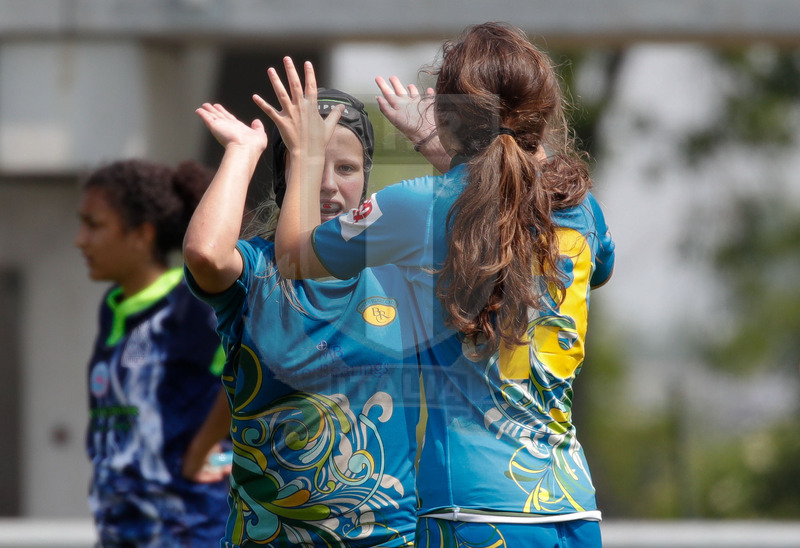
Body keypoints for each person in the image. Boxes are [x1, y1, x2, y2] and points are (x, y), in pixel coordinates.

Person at [260, 22, 615, 548]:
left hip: (470, 516)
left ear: (449, 115)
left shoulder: (415, 205)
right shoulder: (582, 209)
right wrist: (443, 146)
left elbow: (292, 256)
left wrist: (308, 156)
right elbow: (559, 241)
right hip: (573, 513)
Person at [184, 89, 418, 547]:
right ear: (283, 176)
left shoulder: (400, 274)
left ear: (366, 179)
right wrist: (242, 149)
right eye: (309, 162)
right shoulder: (255, 272)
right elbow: (205, 255)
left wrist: (438, 145)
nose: (328, 184)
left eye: (346, 168)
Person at [75, 159, 232, 547]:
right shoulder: (113, 308)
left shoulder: (192, 303)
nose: (80, 239)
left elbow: (259, 365)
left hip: (189, 531)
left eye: (94, 225)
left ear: (142, 235)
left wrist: (203, 446)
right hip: (121, 532)